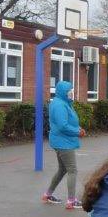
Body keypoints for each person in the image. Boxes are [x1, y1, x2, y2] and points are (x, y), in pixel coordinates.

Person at [42, 80, 85, 209]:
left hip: (61, 141)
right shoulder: (60, 105)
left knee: (63, 169)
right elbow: (62, 126)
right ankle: (71, 201)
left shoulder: (62, 103)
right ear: (63, 92)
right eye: (70, 92)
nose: (72, 93)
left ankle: (47, 195)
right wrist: (77, 132)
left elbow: (66, 122)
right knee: (72, 170)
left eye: (72, 91)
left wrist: (77, 128)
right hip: (63, 142)